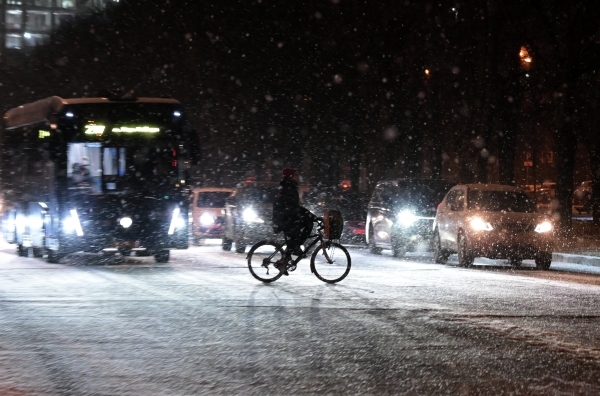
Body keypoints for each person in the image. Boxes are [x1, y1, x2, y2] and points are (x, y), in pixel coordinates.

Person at [272, 168, 318, 275]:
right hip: (284, 220)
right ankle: (283, 261)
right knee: (300, 230)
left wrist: (307, 214)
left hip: (286, 218)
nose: (298, 177)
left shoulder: (289, 187)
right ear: (291, 177)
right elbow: (292, 207)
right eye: (296, 175)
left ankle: (294, 248)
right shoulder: (288, 188)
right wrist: (308, 214)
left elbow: (293, 207)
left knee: (307, 224)